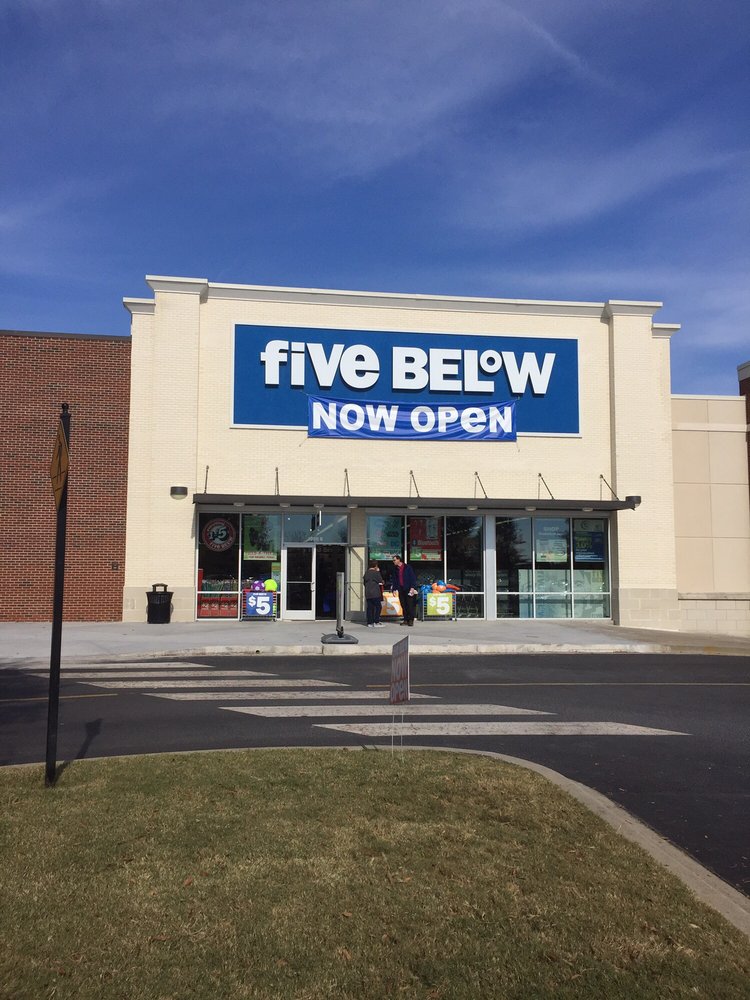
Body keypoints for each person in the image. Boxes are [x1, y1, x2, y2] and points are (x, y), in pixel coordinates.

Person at [391, 555, 418, 626]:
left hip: (408, 588)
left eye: (394, 560)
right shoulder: (395, 569)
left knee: (410, 605)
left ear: (399, 560)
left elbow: (412, 577)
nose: (393, 561)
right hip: (401, 588)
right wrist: (394, 589)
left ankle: (411, 620)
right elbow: (394, 580)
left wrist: (412, 587)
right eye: (393, 560)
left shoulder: (407, 567)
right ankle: (405, 619)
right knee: (403, 604)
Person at [363, 559, 386, 628]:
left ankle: (370, 622)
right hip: (375, 592)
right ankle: (376, 621)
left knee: (370, 607)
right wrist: (378, 572)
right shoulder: (376, 573)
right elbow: (381, 581)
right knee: (378, 607)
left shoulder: (366, 573)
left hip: (368, 593)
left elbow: (364, 583)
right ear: (375, 565)